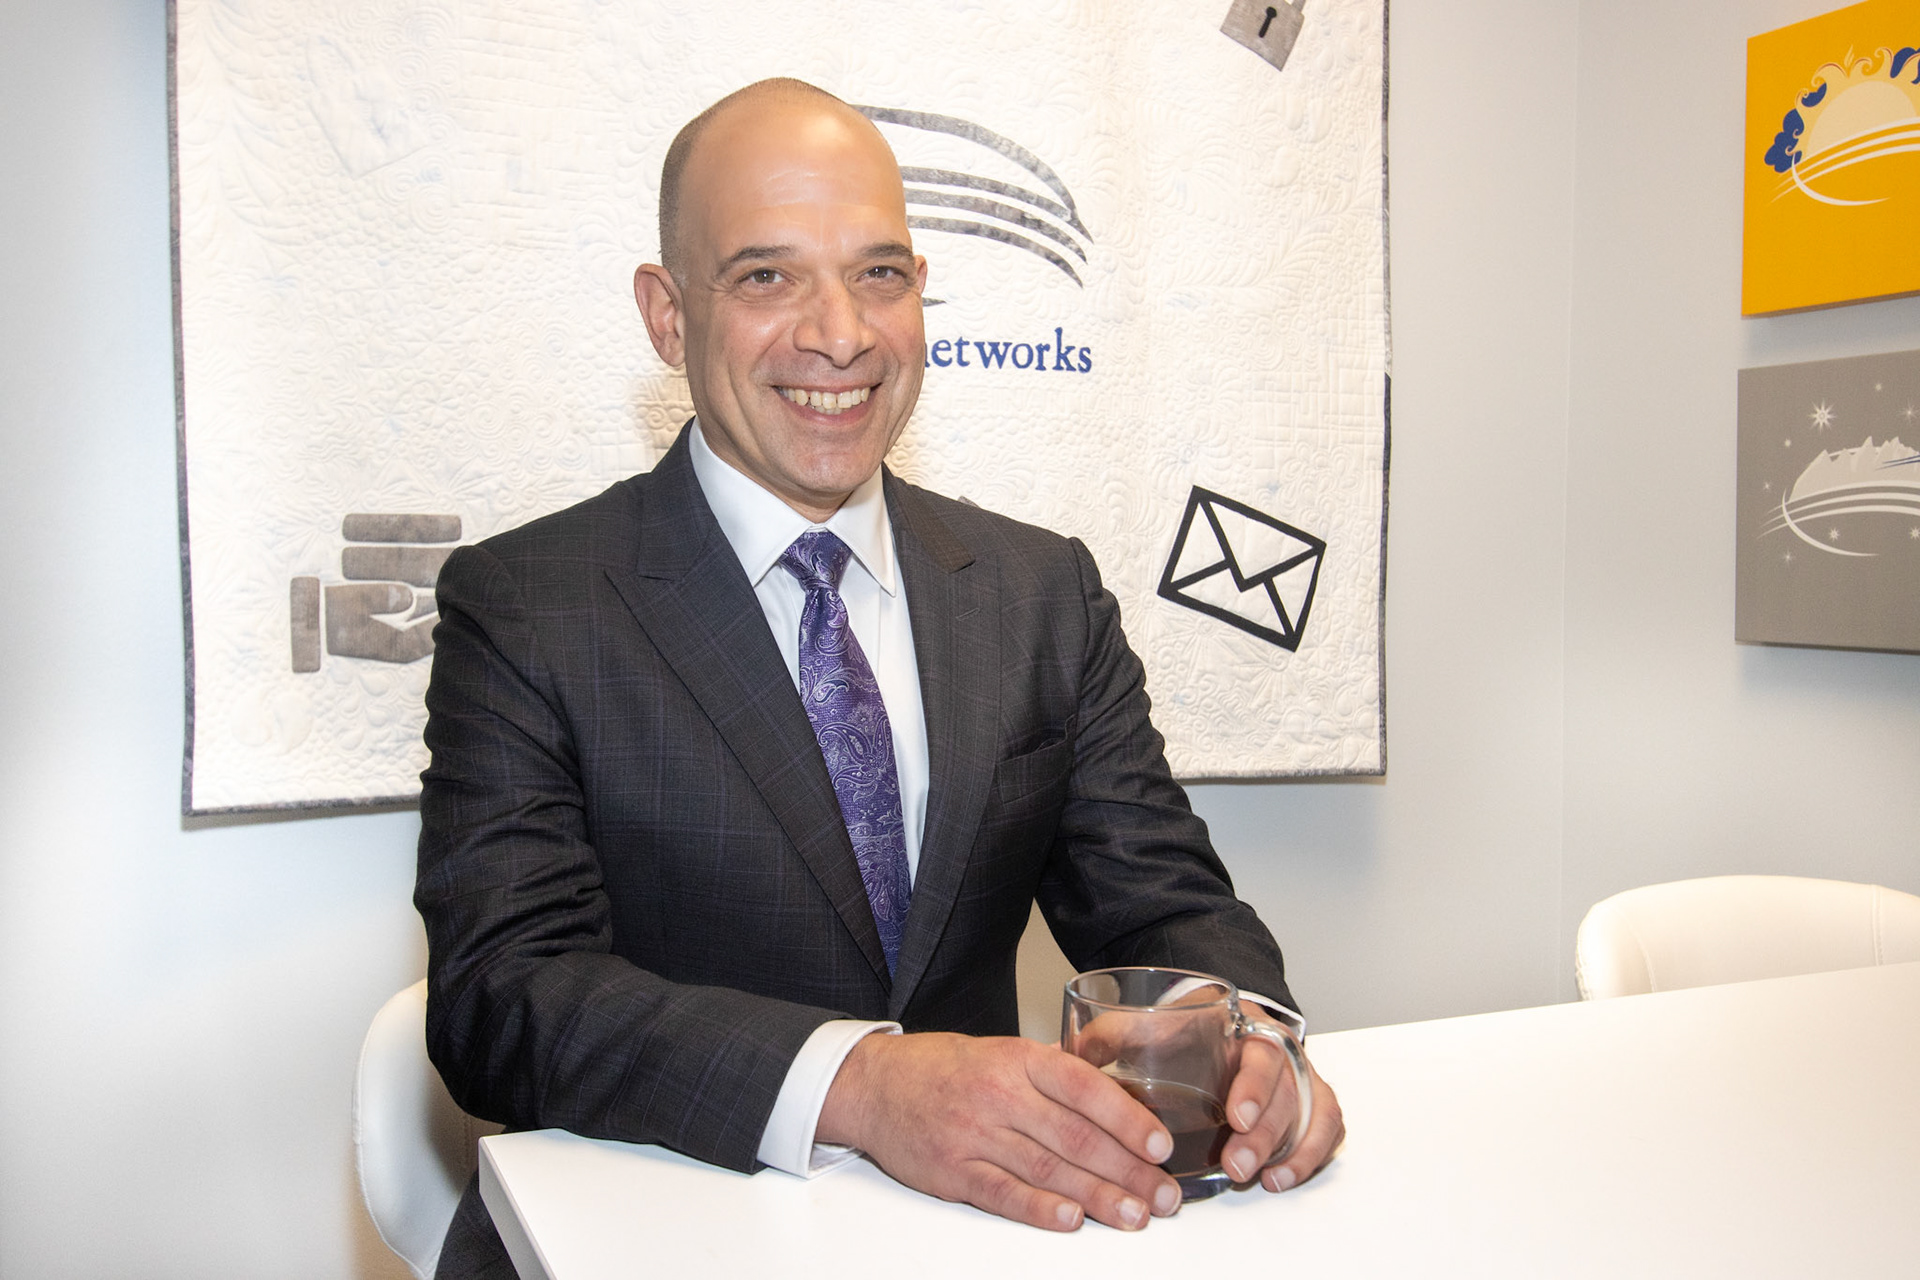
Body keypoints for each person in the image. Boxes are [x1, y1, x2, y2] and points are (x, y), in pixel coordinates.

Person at [416, 77, 1343, 1278]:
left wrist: (1254, 1041)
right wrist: (860, 1082)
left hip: (978, 1240)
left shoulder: (1038, 589)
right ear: (667, 315)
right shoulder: (528, 603)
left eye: (880, 273)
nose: (841, 332)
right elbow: (502, 998)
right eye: (766, 276)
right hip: (649, 1231)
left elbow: (1163, 903)